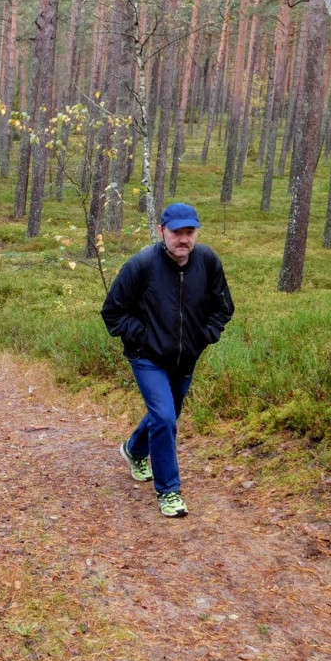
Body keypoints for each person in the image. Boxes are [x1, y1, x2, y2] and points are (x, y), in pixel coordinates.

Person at [101, 202, 234, 518]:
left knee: (167, 413)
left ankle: (134, 450)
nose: (183, 239)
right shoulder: (142, 265)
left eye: (190, 232)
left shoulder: (208, 262)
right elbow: (113, 313)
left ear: (196, 232)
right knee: (164, 417)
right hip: (146, 357)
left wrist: (205, 335)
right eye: (177, 232)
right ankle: (169, 492)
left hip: (185, 358)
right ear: (162, 231)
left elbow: (223, 307)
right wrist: (144, 337)